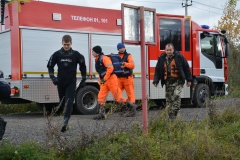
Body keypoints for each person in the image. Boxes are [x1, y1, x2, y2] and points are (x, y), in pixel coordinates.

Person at [47, 35, 87, 132]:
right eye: (65, 44)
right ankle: (65, 116)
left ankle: (65, 121)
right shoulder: (56, 54)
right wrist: (53, 77)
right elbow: (50, 66)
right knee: (63, 102)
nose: (66, 47)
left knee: (69, 101)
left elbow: (83, 66)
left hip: (71, 82)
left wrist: (84, 78)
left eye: (68, 45)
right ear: (62, 43)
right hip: (60, 82)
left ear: (71, 43)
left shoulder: (76, 54)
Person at [92, 45, 137, 120]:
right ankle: (102, 114)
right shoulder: (97, 59)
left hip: (111, 80)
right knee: (100, 97)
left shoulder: (104, 58)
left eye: (93, 51)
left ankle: (132, 106)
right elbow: (102, 72)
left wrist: (104, 79)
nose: (92, 52)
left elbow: (110, 68)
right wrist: (101, 80)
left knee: (118, 98)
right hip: (105, 81)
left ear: (96, 52)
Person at [153, 43, 192, 119]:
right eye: (167, 50)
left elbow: (186, 68)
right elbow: (157, 70)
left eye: (170, 50)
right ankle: (171, 117)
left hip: (178, 81)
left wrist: (189, 80)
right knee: (169, 100)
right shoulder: (161, 58)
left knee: (176, 96)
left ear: (173, 50)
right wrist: (156, 80)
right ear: (165, 50)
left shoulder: (179, 57)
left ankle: (174, 114)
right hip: (168, 82)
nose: (169, 52)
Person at [116, 43, 136, 116]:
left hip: (128, 78)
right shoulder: (116, 56)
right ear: (118, 49)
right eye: (120, 48)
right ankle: (124, 108)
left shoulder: (129, 56)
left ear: (124, 48)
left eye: (122, 47)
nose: (122, 49)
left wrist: (125, 64)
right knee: (117, 94)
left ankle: (132, 111)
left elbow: (133, 65)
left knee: (130, 94)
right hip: (119, 78)